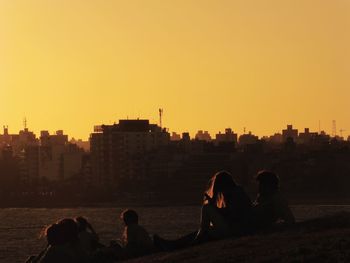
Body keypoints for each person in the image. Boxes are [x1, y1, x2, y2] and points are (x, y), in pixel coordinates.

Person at [154, 171, 253, 250]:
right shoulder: (236, 193)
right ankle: (173, 244)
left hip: (235, 231)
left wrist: (213, 207)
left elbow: (232, 216)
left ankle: (187, 241)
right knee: (201, 231)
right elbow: (229, 214)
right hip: (235, 229)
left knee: (206, 208)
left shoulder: (236, 194)